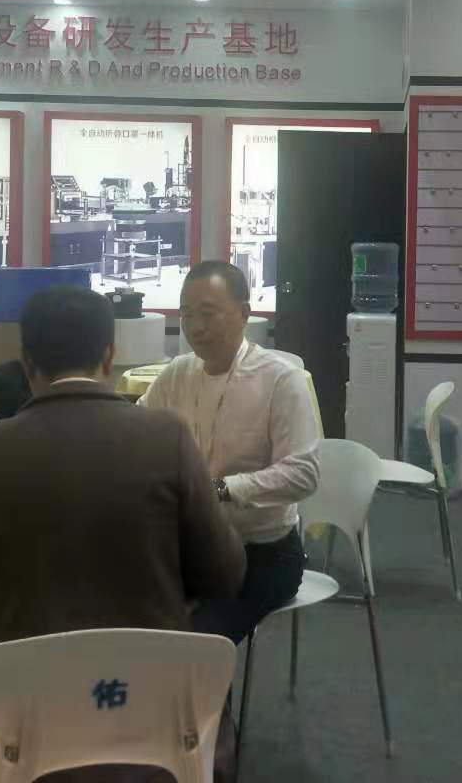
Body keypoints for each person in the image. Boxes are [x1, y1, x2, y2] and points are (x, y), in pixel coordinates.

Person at [0, 286, 245, 783]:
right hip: (152, 705)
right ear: (110, 355)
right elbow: (225, 573)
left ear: (26, 362)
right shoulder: (168, 438)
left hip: (19, 717)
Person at [142, 261, 321, 645]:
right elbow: (136, 434)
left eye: (207, 314)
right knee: (124, 613)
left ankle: (200, 686)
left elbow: (304, 473)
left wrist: (222, 489)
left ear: (243, 313)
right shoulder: (177, 374)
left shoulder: (279, 379)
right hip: (193, 547)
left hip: (263, 554)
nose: (195, 327)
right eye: (186, 315)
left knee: (196, 637)